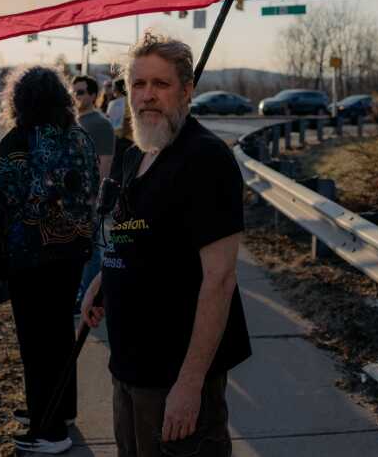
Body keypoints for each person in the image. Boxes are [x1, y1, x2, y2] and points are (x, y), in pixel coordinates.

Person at [81, 33, 251, 457]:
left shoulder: (204, 159)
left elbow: (220, 279)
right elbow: (137, 238)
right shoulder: (136, 155)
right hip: (129, 367)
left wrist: (190, 385)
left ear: (187, 90)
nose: (147, 96)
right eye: (139, 84)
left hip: (175, 377)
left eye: (161, 84)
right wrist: (104, 278)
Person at [0, 66, 99, 455]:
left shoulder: (17, 140)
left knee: (36, 342)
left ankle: (50, 430)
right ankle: (60, 409)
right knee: (58, 332)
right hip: (73, 250)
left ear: (18, 101)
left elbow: (8, 196)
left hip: (30, 256)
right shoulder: (81, 138)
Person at [72, 75, 114, 308]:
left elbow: (105, 162)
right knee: (80, 248)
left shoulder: (100, 123)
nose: (76, 96)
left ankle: (92, 297)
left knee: (91, 250)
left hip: (89, 198)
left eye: (80, 92)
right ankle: (84, 293)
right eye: (74, 92)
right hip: (73, 199)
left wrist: (95, 197)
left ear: (92, 95)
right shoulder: (75, 121)